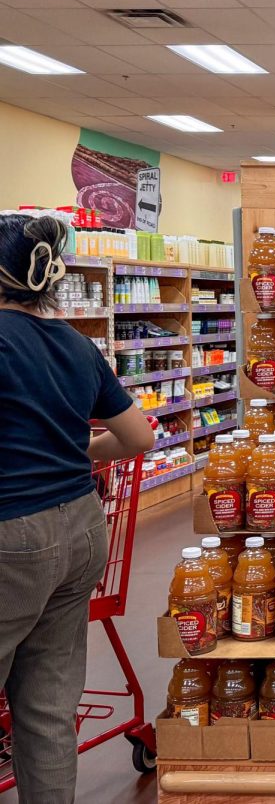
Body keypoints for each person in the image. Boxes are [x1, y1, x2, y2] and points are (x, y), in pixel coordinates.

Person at [0, 214, 153, 803]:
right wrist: (85, 449)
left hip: (11, 536)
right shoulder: (73, 344)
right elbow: (138, 436)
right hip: (81, 530)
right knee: (47, 706)